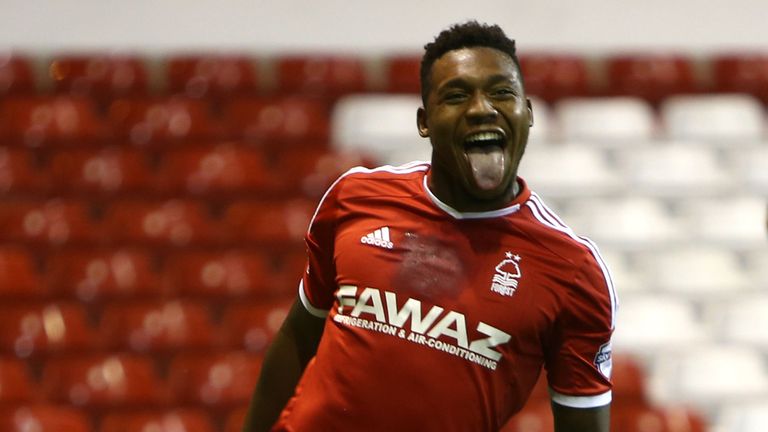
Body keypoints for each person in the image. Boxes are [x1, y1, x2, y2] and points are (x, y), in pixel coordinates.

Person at [243, 21, 617, 432]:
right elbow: (299, 338)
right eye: (456, 96)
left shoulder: (573, 270)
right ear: (425, 121)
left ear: (527, 114)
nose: (481, 109)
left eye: (501, 92)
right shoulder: (355, 197)